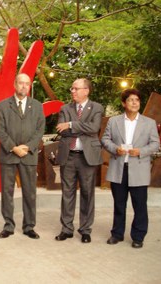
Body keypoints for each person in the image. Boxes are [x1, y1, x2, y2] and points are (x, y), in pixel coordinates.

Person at [101, 89, 160, 248]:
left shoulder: (149, 123)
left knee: (140, 205)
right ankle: (117, 234)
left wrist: (141, 151)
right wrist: (115, 149)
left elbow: (155, 144)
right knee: (119, 204)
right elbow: (105, 139)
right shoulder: (114, 121)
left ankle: (138, 236)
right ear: (123, 103)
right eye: (131, 100)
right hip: (118, 168)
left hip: (139, 169)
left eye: (137, 100)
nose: (134, 103)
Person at [0, 73, 45, 239]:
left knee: (30, 193)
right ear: (15, 84)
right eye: (21, 83)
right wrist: (13, 148)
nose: (24, 86)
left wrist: (28, 147)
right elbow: (0, 131)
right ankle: (8, 226)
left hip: (29, 155)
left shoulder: (37, 106)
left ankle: (29, 226)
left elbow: (40, 130)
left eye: (27, 84)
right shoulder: (2, 106)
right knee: (7, 192)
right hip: (8, 155)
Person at [55, 78, 104, 243]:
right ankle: (67, 229)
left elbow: (94, 128)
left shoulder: (96, 107)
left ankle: (85, 230)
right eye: (72, 88)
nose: (73, 91)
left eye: (76, 88)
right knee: (67, 194)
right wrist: (79, 127)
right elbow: (62, 131)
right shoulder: (64, 108)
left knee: (87, 194)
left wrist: (70, 124)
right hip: (68, 156)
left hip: (87, 157)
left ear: (86, 91)